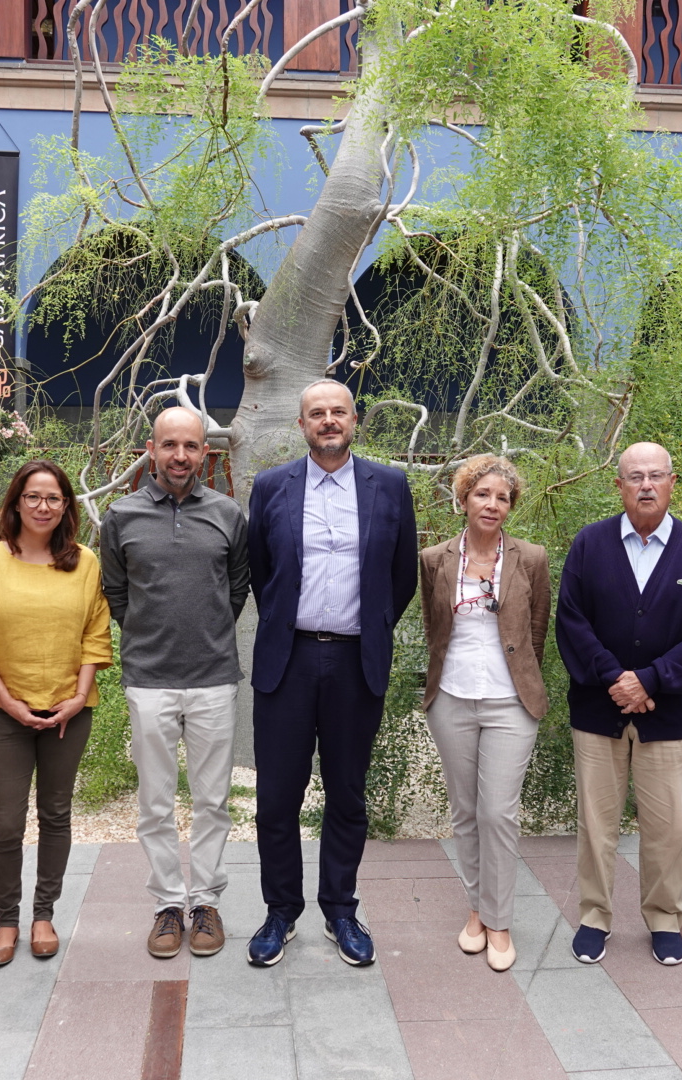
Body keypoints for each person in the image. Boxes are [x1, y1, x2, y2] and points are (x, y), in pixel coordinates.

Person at [244, 379, 418, 967]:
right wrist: (290, 626)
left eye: (337, 412)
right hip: (288, 660)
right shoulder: (271, 487)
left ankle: (340, 910)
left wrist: (370, 626)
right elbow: (264, 572)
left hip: (354, 661)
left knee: (346, 793)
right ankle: (280, 911)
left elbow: (402, 576)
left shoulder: (389, 486)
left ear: (355, 420)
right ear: (301, 425)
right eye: (315, 413)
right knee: (276, 797)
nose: (327, 421)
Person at [556, 442, 682, 967]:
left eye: (656, 475)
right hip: (597, 710)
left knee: (668, 826)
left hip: (667, 715)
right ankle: (593, 916)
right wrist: (614, 678)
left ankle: (664, 918)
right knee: (596, 823)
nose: (646, 485)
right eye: (635, 477)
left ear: (673, 482)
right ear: (619, 486)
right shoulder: (590, 544)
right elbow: (571, 620)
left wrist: (650, 681)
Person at [101, 408, 249, 960]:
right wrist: (148, 635)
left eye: (191, 446)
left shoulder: (228, 514)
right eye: (170, 445)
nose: (180, 456)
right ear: (152, 449)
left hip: (213, 678)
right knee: (155, 802)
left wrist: (204, 632)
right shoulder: (121, 515)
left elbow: (236, 589)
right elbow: (116, 593)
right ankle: (168, 904)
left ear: (204, 453)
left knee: (212, 800)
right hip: (149, 681)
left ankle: (205, 900)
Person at [0, 460, 111, 966]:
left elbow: (95, 633)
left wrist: (77, 695)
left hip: (70, 710)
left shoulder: (84, 562)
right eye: (34, 497)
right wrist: (10, 704)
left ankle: (44, 913)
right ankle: (7, 919)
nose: (43, 507)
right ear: (16, 502)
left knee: (56, 813)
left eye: (54, 498)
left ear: (67, 506)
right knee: (5, 823)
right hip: (5, 715)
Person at [419, 455, 551, 973]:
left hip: (510, 703)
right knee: (466, 812)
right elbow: (435, 630)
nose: (492, 504)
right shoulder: (434, 558)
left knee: (498, 812)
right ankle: (477, 909)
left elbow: (537, 630)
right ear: (464, 498)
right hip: (451, 698)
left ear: (511, 505)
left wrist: (517, 681)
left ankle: (499, 921)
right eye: (482, 494)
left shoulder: (532, 558)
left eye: (502, 497)